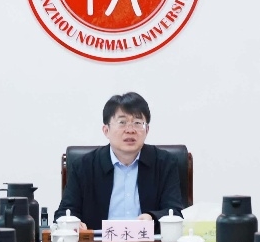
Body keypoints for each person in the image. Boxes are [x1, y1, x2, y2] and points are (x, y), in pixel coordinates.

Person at [55, 92, 186, 231]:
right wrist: (74, 224)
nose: (130, 130)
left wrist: (152, 218)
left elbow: (175, 212)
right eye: (122, 122)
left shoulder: (165, 164)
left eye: (137, 123)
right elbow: (64, 213)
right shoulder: (83, 166)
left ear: (147, 130)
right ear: (106, 130)